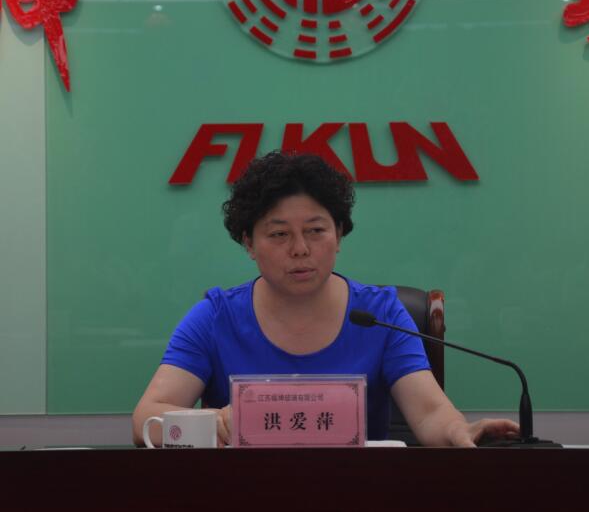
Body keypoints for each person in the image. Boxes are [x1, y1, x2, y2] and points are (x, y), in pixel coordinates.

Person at [132, 151, 519, 447]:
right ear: (248, 243)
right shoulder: (216, 317)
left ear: (339, 235)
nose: (300, 249)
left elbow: (430, 413)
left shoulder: (380, 314)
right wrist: (213, 422)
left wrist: (459, 430)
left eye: (316, 230)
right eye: (279, 234)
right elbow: (145, 419)